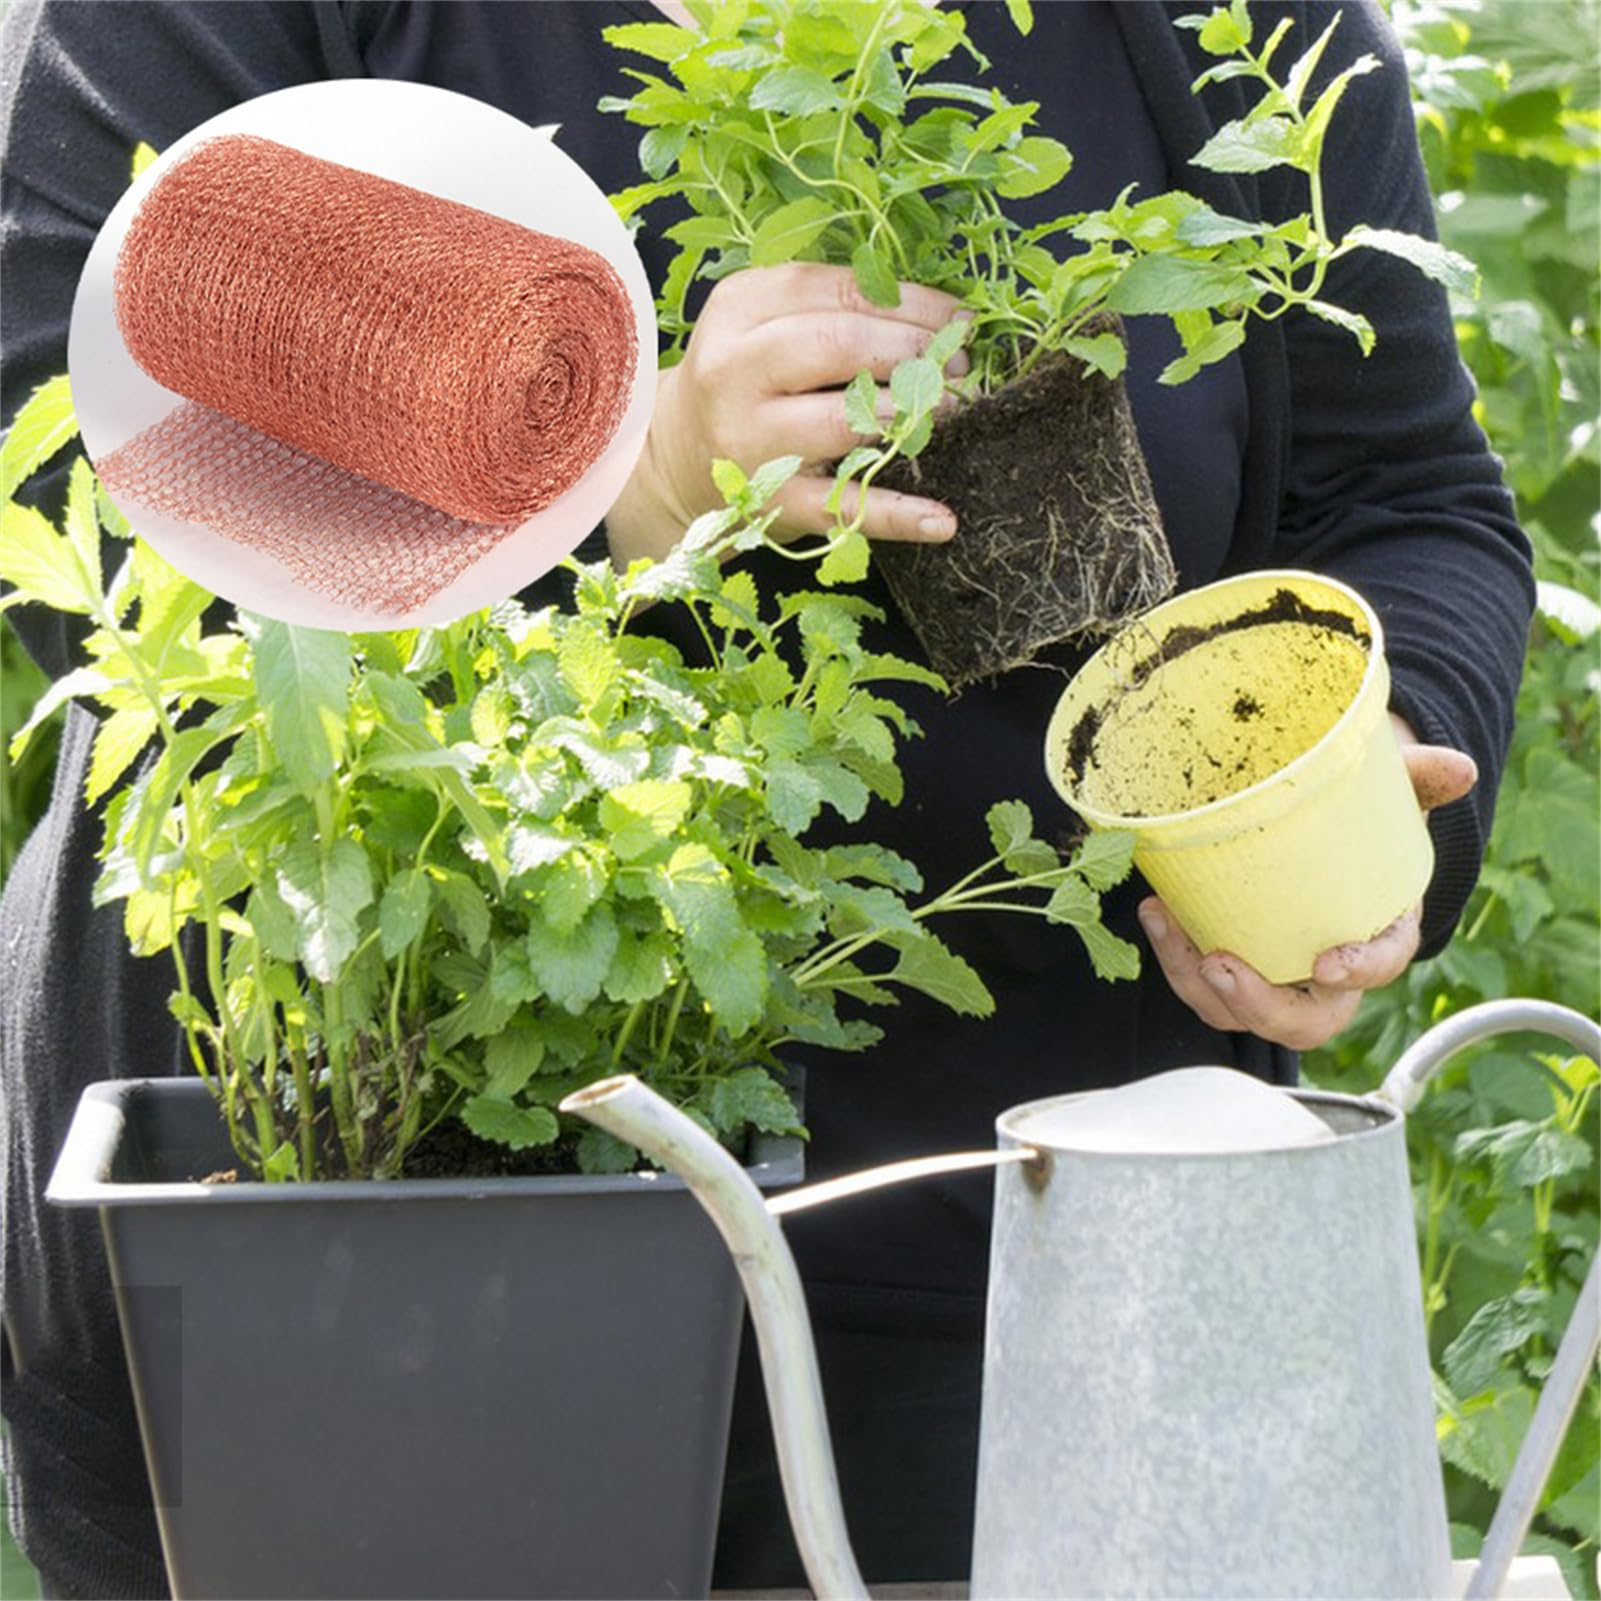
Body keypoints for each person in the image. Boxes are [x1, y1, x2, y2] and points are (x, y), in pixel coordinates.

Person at [0, 2, 1533, 1595]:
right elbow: (100, 518)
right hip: (370, 1258)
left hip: (1033, 1277)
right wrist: (625, 487)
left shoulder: (1213, 29)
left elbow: (1401, 493)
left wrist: (1365, 776)